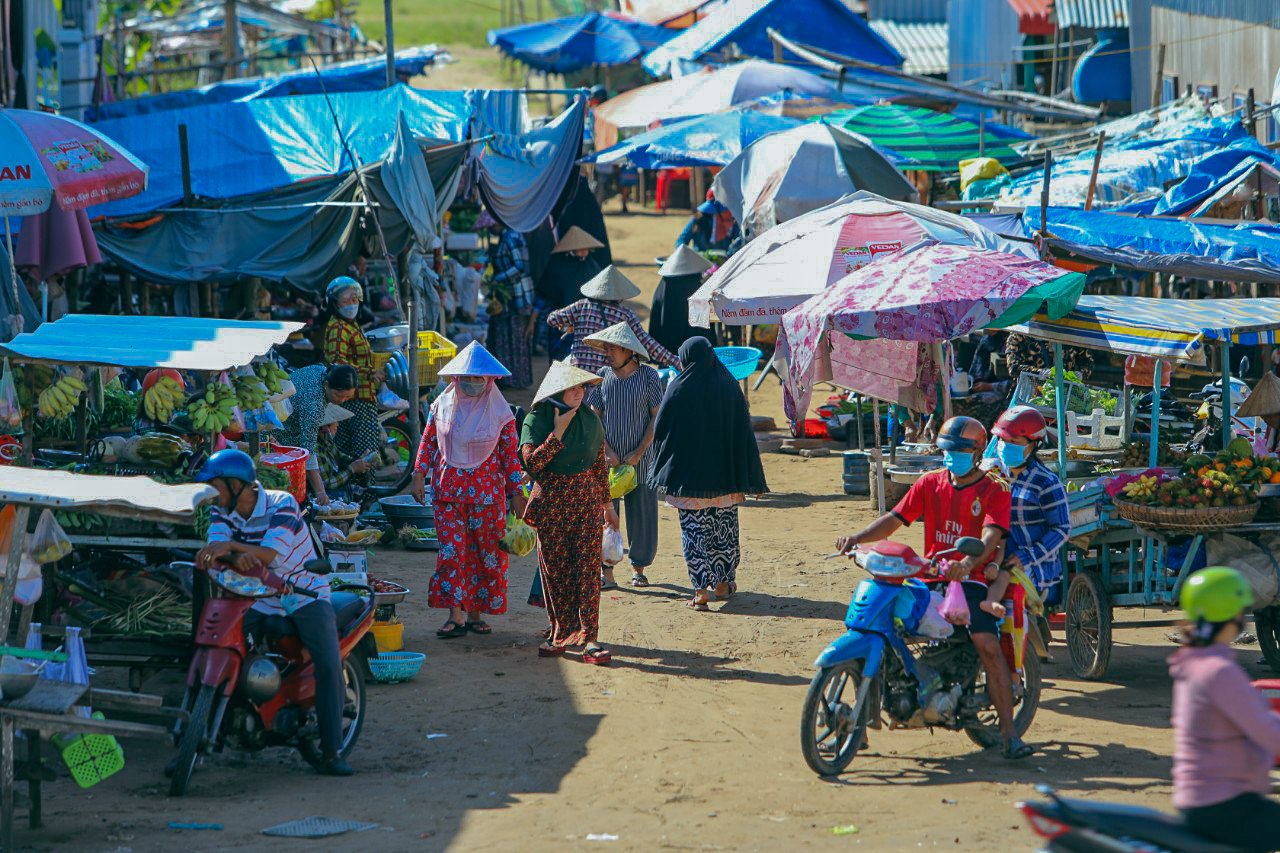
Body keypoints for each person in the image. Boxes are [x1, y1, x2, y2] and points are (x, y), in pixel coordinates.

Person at [835, 416, 1031, 760]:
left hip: (971, 579)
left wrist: (968, 564)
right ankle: (859, 721)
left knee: (985, 641)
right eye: (947, 451)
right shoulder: (930, 483)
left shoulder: (994, 489)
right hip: (929, 576)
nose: (950, 457)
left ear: (976, 451)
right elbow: (895, 520)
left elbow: (991, 535)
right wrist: (857, 538)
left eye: (958, 451)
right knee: (882, 626)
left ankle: (1008, 733)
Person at [193, 450, 353, 776]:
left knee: (328, 662)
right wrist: (233, 556)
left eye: (215, 487)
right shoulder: (221, 512)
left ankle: (332, 750)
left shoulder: (282, 504)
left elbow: (267, 555)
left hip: (303, 592)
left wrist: (233, 550)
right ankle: (193, 741)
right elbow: (214, 553)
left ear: (236, 484)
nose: (211, 495)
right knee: (221, 647)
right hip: (257, 594)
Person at [411, 342, 525, 639]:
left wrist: (517, 494)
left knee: (486, 554)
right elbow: (428, 442)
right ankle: (455, 615)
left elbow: (510, 458)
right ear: (455, 379)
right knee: (451, 552)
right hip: (447, 492)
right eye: (467, 377)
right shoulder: (441, 406)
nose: (473, 382)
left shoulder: (502, 414)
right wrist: (418, 473)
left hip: (487, 496)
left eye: (479, 378)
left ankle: (475, 613)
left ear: (490, 380)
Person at [649, 337, 768, 610]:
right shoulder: (729, 387)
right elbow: (744, 435)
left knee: (695, 535)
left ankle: (700, 590)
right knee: (723, 532)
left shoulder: (678, 387)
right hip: (725, 480)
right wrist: (753, 476)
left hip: (689, 482)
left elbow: (662, 431)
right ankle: (723, 584)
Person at [1171, 567, 1280, 851]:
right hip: (1225, 802)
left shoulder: (1192, 662)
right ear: (1234, 614)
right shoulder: (1220, 672)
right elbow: (1267, 732)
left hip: (1201, 797)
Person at [520, 360, 617, 664]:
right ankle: (560, 632)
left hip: (586, 505)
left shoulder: (590, 420)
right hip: (551, 506)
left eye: (582, 386)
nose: (579, 392)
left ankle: (590, 638)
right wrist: (557, 433)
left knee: (588, 572)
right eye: (572, 387)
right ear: (557, 390)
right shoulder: (536, 420)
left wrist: (608, 505)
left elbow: (599, 466)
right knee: (556, 572)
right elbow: (532, 464)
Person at [584, 322, 664, 589]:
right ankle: (607, 573)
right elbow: (594, 417)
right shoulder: (602, 376)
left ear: (629, 351)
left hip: (642, 462)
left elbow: (656, 418)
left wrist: (638, 452)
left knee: (643, 517)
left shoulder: (650, 377)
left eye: (612, 348)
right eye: (606, 347)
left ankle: (638, 568)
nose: (607, 352)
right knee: (606, 518)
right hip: (608, 463)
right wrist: (606, 450)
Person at [987, 406, 1070, 606]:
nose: (1005, 446)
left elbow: (1061, 529)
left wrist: (1027, 556)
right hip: (995, 561)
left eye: (1014, 442)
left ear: (1033, 445)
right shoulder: (994, 474)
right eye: (1002, 441)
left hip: (1036, 571)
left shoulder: (1046, 482)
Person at [547, 266, 678, 374]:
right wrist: (674, 361)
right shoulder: (625, 315)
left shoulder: (581, 306)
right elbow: (647, 343)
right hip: (605, 377)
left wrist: (569, 325)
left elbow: (552, 319)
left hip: (577, 375)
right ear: (620, 294)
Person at [272, 363, 359, 507]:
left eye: (347, 397)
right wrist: (320, 492)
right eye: (339, 395)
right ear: (327, 384)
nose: (341, 401)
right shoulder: (315, 406)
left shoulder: (320, 370)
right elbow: (309, 451)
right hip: (275, 435)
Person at [320, 276, 385, 460]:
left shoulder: (351, 325)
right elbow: (337, 363)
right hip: (354, 399)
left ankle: (357, 486)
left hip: (362, 395)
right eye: (346, 300)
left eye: (354, 299)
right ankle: (364, 487)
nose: (351, 304)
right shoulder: (339, 328)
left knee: (353, 450)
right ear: (335, 304)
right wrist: (370, 372)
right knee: (364, 452)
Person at [538, 226, 604, 361]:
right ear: (571, 249)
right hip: (561, 321)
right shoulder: (557, 266)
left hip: (587, 322)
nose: (585, 252)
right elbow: (546, 291)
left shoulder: (592, 266)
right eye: (581, 248)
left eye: (587, 248)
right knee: (560, 360)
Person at [485, 217, 536, 389]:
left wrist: (498, 278)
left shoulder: (511, 238)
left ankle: (517, 380)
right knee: (505, 336)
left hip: (518, 296)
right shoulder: (504, 238)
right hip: (508, 298)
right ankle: (508, 379)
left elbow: (520, 267)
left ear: (497, 223)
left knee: (517, 337)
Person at [649, 245, 715, 355]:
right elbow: (704, 328)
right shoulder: (696, 287)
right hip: (696, 354)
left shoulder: (664, 286)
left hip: (667, 354)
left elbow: (656, 322)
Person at [314, 404, 375, 503]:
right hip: (325, 496)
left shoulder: (327, 443)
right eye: (334, 423)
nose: (337, 425)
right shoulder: (315, 450)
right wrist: (352, 468)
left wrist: (360, 460)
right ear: (325, 428)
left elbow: (341, 457)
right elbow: (327, 483)